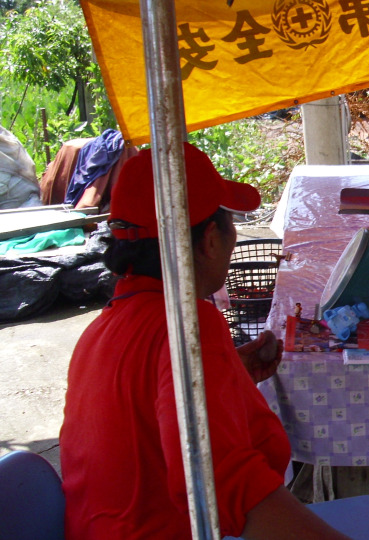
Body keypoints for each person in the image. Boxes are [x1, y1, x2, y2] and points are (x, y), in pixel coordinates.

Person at [59, 143, 350, 540]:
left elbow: (149, 419)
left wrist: (230, 374)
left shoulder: (102, 328)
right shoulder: (190, 326)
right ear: (210, 239)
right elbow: (220, 481)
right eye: (230, 224)